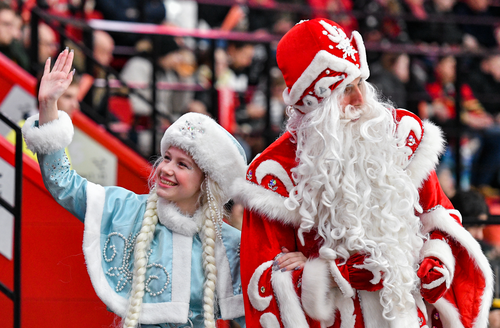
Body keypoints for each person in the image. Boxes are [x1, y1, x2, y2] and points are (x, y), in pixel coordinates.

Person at [233, 18, 492, 327]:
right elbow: (263, 285)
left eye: (359, 83)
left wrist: (437, 260)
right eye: (345, 91)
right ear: (314, 108)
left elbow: (439, 214)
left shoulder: (398, 136)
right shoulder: (272, 177)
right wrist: (329, 274)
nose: (361, 99)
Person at [22, 49, 247, 328]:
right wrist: (48, 106)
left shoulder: (232, 244)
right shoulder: (124, 209)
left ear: (207, 180)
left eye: (182, 164)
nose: (165, 169)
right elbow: (63, 183)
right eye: (166, 158)